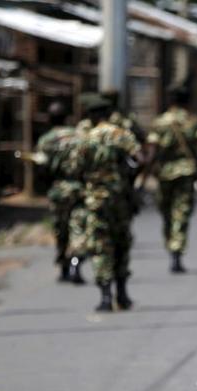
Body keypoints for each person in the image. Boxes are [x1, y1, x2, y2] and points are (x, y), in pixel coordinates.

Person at [70, 93, 144, 311]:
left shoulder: (86, 139)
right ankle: (122, 294)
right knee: (122, 242)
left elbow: (75, 169)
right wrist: (129, 180)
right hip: (120, 199)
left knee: (101, 246)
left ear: (92, 116)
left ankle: (105, 297)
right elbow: (140, 158)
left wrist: (90, 182)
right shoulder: (121, 134)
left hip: (96, 201)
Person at [147, 86, 197, 273]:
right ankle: (176, 252)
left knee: (166, 211)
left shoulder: (160, 122)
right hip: (186, 172)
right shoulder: (193, 121)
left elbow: (151, 149)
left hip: (164, 173)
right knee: (181, 212)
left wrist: (149, 170)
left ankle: (171, 245)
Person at [35, 101, 85, 283]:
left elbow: (42, 168)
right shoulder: (79, 136)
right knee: (78, 227)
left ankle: (64, 266)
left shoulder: (46, 140)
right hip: (78, 189)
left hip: (58, 190)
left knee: (61, 229)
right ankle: (76, 262)